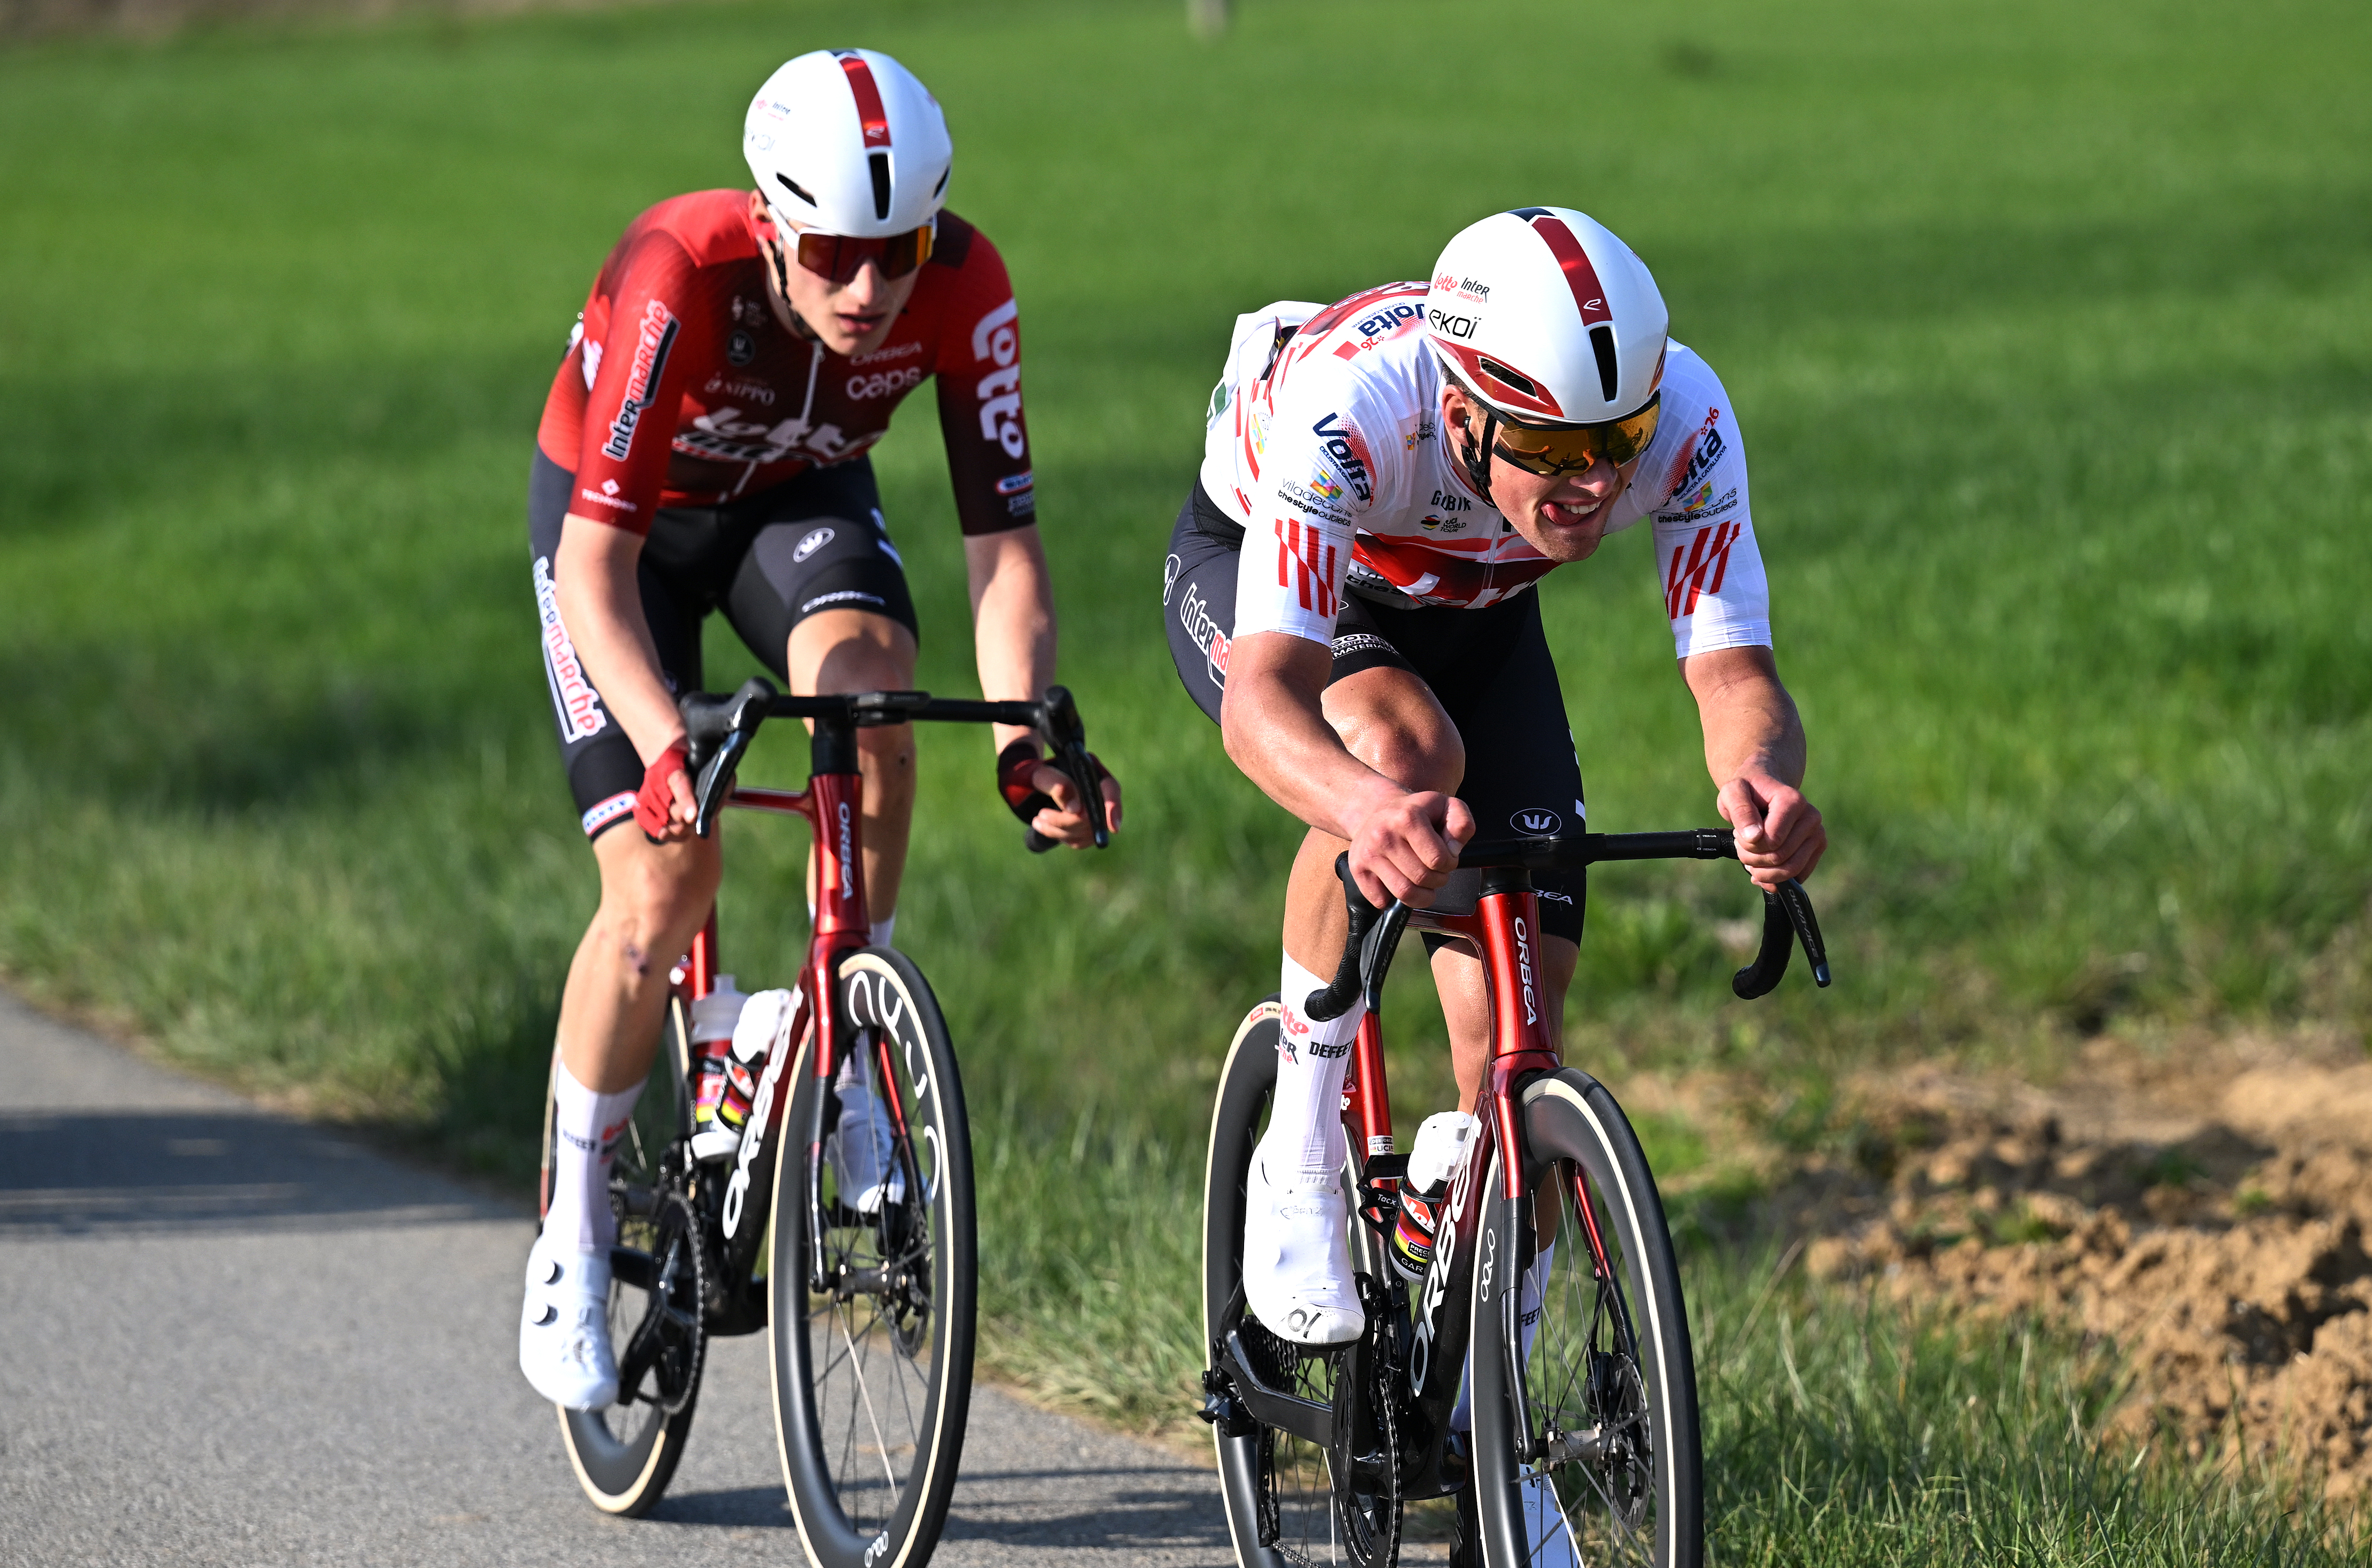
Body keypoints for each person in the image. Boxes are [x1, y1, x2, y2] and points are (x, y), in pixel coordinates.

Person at [521, 48, 1118, 1411]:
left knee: (875, 694)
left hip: (793, 503)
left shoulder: (967, 288)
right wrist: (668, 742)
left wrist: (1024, 739)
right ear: (773, 226)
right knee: (666, 877)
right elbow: (597, 573)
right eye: (835, 256)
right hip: (620, 541)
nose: (870, 291)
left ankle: (851, 1040)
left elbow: (1005, 552)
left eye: (897, 249)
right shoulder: (682, 270)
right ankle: (575, 1214)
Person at [1164, 204, 1823, 1339]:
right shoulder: (1353, 406)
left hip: (1477, 609)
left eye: (1621, 443)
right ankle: (1302, 1150)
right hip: (1284, 588)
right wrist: (1368, 809)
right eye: (1559, 452)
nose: (1598, 485)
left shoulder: (1685, 417)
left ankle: (1492, 1451)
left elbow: (1733, 675)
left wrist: (1761, 781)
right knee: (1407, 755)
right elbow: (1265, 699)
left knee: (1523, 1024)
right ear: (1462, 412)